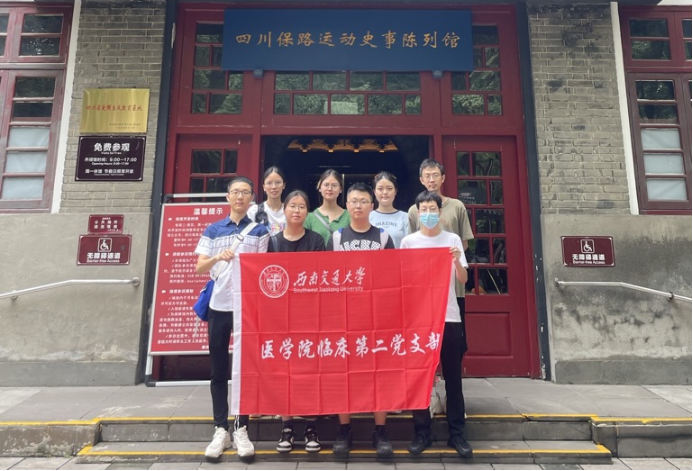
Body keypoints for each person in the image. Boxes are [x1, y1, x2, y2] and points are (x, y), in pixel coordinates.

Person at [194, 176, 271, 460]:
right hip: (219, 306)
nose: (240, 197)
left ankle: (241, 427)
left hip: (246, 308)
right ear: (227, 196)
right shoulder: (213, 229)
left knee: (245, 369)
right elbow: (200, 267)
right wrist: (218, 258)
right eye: (235, 192)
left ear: (252, 198)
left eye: (245, 192)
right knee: (218, 368)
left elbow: (262, 269)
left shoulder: (260, 231)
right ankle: (220, 428)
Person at [401, 190, 472, 458]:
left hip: (449, 316)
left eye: (433, 209)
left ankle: (457, 434)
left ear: (440, 212)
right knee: (420, 378)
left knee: (453, 378)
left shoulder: (452, 239)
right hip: (420, 320)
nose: (429, 213)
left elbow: (463, 279)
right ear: (417, 213)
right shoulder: (408, 242)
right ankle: (422, 433)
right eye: (424, 209)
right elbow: (403, 279)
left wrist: (455, 260)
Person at [326, 182, 395, 457]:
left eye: (363, 201)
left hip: (376, 316)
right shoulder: (336, 237)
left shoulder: (384, 237)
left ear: (371, 205)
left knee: (379, 373)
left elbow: (392, 278)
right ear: (347, 205)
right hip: (344, 316)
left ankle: (381, 430)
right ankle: (345, 429)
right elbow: (328, 278)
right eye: (353, 201)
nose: (358, 206)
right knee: (344, 374)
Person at [268, 190, 326, 453]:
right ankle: (287, 427)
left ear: (307, 212)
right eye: (292, 206)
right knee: (286, 373)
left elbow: (320, 275)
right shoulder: (274, 242)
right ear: (285, 210)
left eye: (302, 207)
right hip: (281, 318)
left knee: (311, 372)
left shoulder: (316, 240)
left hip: (311, 316)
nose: (297, 210)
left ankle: (311, 427)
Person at [407, 159, 474, 360]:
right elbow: (412, 250)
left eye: (435, 175)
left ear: (443, 178)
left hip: (452, 284)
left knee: (455, 338)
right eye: (427, 176)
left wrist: (447, 261)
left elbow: (464, 243)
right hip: (424, 287)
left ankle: (453, 376)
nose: (431, 179)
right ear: (421, 179)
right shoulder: (414, 210)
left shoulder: (457, 206)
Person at [304, 169, 350, 245]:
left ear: (341, 189)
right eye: (326, 185)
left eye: (334, 185)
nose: (330, 189)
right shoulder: (309, 218)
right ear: (319, 187)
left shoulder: (349, 216)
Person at [369, 171, 409, 248]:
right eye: (380, 189)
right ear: (374, 192)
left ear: (395, 191)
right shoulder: (367, 217)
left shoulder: (405, 217)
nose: (385, 192)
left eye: (389, 188)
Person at [247, 166, 287, 236]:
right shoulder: (254, 211)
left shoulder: (289, 211)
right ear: (264, 187)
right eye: (269, 183)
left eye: (278, 182)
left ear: (283, 185)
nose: (274, 187)